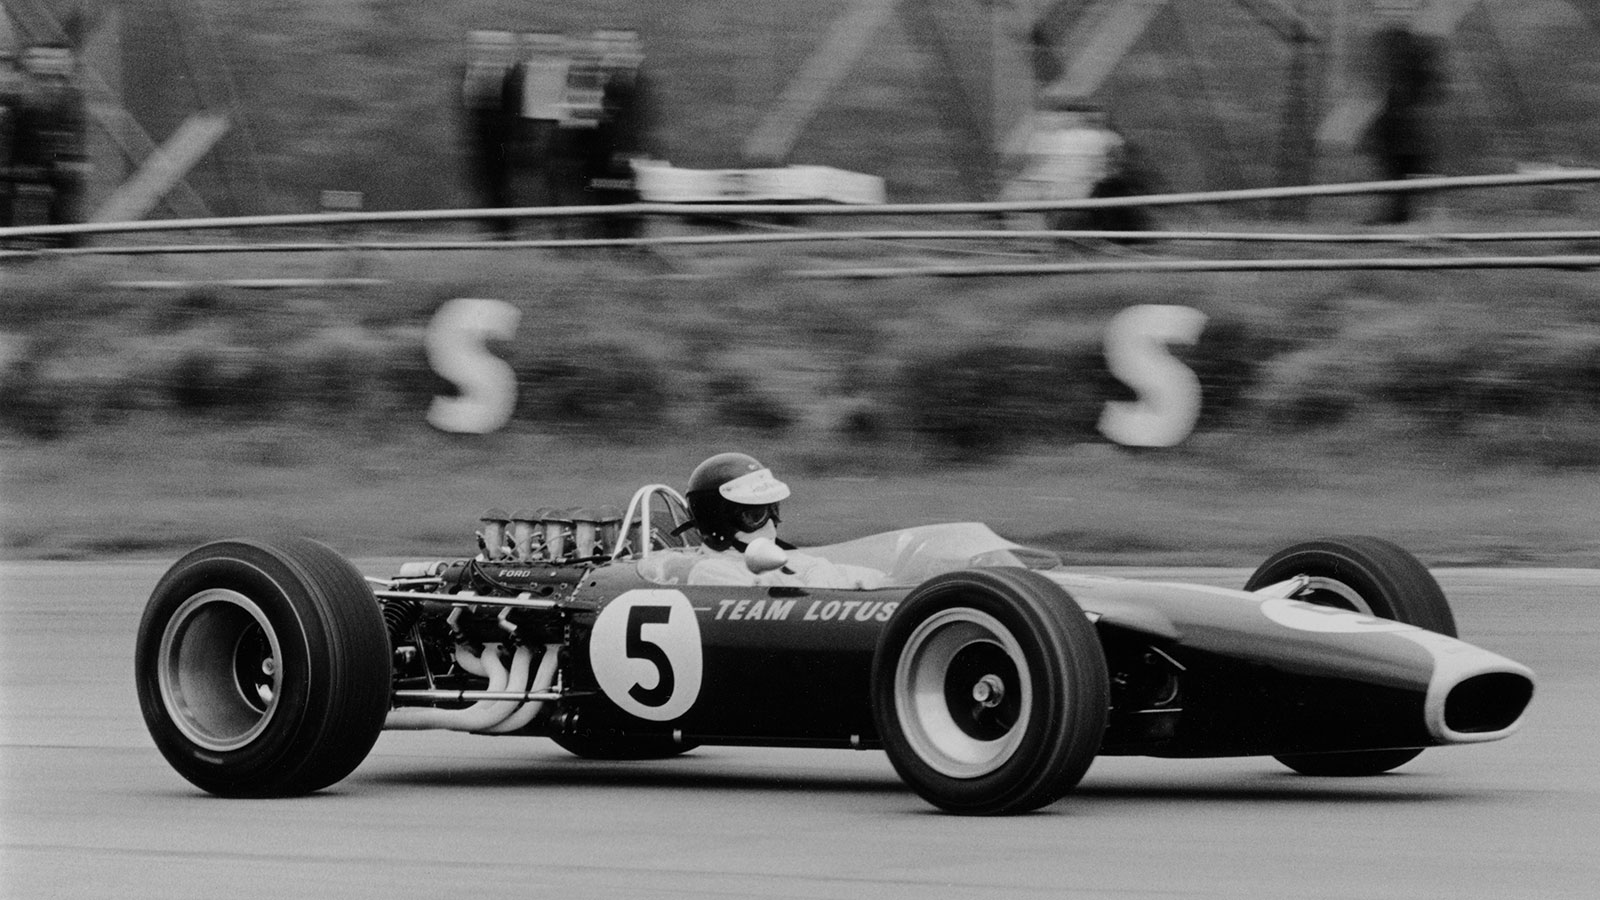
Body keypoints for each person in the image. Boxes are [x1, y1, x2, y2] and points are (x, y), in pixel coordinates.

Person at [682, 452, 885, 589]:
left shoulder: (784, 559)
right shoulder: (711, 572)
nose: (771, 525)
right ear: (718, 522)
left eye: (773, 510)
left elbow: (868, 577)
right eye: (755, 515)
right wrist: (817, 581)